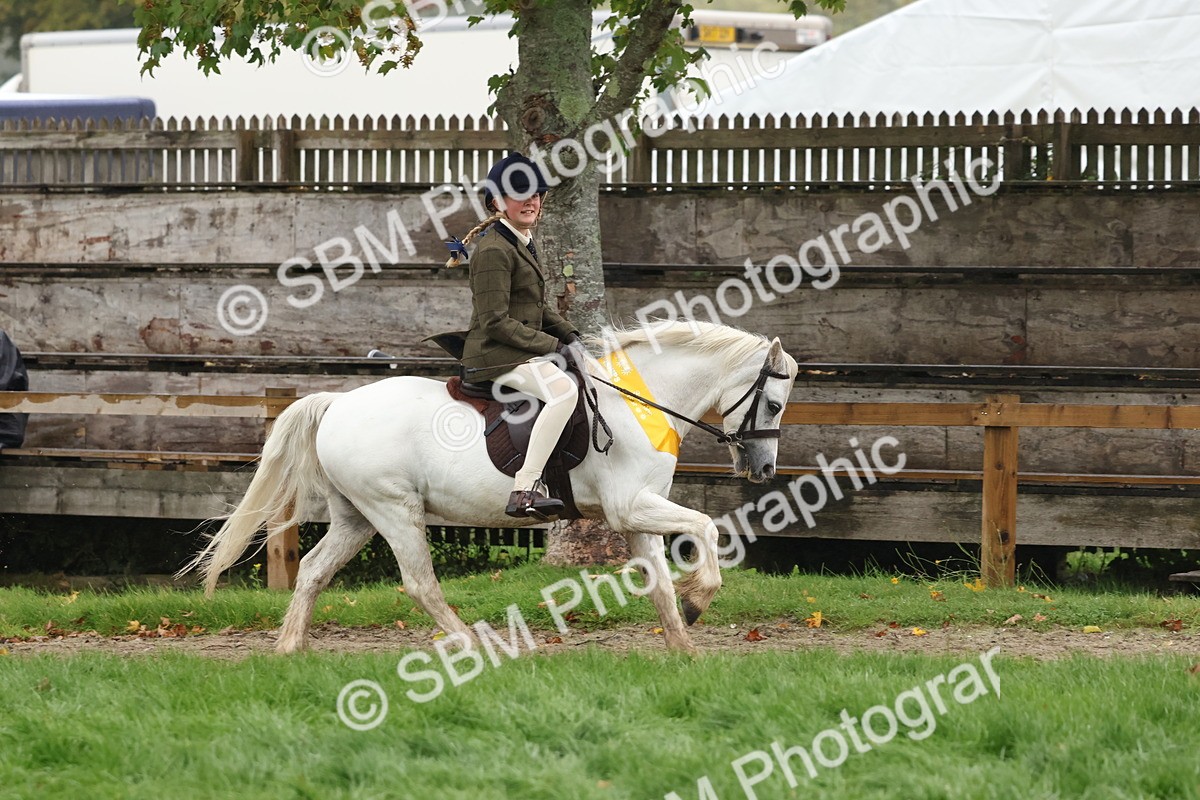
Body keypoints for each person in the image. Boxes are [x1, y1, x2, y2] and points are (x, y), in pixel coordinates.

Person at [440, 152, 581, 520]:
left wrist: (571, 335)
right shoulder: (492, 249)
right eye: (520, 194)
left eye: (536, 194)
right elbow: (494, 321)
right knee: (564, 391)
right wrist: (554, 346)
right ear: (497, 202)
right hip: (495, 355)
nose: (531, 201)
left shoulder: (522, 238)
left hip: (517, 350)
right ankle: (525, 489)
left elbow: (533, 306)